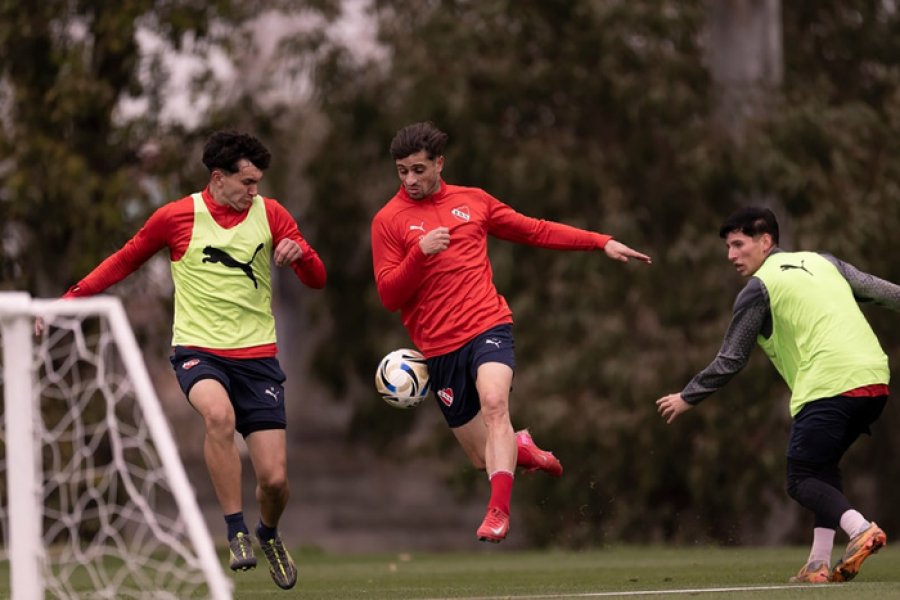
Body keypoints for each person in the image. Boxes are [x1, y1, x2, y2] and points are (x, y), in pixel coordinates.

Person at [36, 131, 326, 590]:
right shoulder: (176, 217)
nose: (254, 190)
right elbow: (124, 261)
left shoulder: (271, 214)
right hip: (198, 351)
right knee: (218, 416)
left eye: (258, 182)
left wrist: (302, 254)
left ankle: (267, 533)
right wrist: (67, 301)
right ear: (218, 178)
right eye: (247, 182)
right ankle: (235, 532)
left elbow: (317, 278)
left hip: (258, 359)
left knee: (274, 480)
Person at [371, 121, 652, 543]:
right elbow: (390, 295)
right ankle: (522, 449)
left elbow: (534, 229)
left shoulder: (474, 202)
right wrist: (419, 253)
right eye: (402, 171)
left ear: (439, 164)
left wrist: (599, 241)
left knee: (494, 402)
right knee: (478, 456)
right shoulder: (388, 221)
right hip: (438, 348)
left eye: (418, 170)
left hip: (488, 325)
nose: (410, 180)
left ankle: (498, 513)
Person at [656, 206, 896, 584]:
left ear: (766, 241)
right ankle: (818, 565)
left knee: (800, 478)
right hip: (874, 380)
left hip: (829, 385)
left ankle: (861, 529)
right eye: (728, 247)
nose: (731, 255)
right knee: (822, 468)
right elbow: (883, 292)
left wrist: (687, 397)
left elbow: (731, 359)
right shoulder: (824, 262)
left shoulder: (759, 288)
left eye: (738, 244)